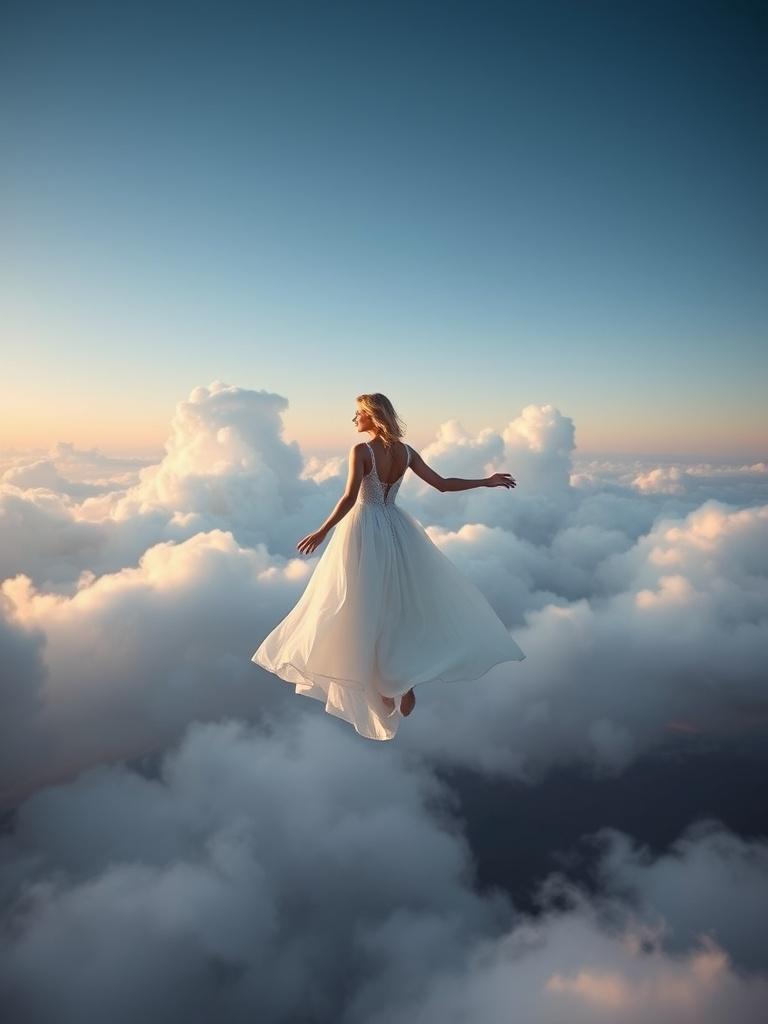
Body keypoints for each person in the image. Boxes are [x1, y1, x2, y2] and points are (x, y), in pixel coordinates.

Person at [251, 393, 526, 740]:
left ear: (372, 416)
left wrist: (322, 531)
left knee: (358, 605)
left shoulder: (362, 451)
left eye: (358, 414)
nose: (354, 421)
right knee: (394, 604)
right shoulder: (406, 452)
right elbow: (442, 485)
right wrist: (485, 481)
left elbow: (351, 498)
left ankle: (384, 679)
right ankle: (399, 677)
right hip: (396, 529)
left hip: (365, 529)